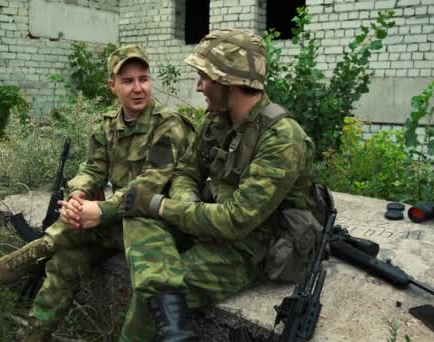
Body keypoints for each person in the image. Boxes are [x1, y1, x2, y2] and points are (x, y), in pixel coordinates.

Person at [95, 28, 329, 341]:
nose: (199, 85)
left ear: (228, 81)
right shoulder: (215, 120)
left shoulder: (282, 138)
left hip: (249, 248)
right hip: (207, 222)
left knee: (156, 294)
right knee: (136, 214)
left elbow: (236, 221)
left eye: (204, 77)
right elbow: (186, 173)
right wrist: (187, 208)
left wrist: (161, 205)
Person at [0, 45, 194, 341]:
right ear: (113, 86)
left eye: (143, 79)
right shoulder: (107, 126)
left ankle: (45, 245)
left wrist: (101, 211)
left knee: (81, 230)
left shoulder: (168, 126)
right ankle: (35, 332)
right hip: (119, 223)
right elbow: (92, 169)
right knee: (67, 261)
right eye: (128, 81)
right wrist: (79, 194)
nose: (138, 88)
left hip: (156, 229)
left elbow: (149, 183)